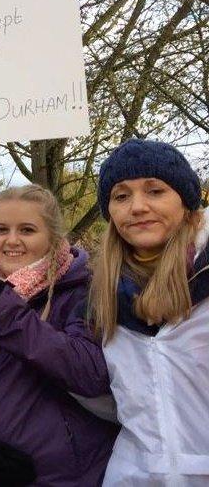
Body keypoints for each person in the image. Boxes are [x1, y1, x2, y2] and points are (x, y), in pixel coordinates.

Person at [0, 185, 118, 486]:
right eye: (1, 229)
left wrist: (6, 312)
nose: (12, 240)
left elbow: (88, 372)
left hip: (63, 474)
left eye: (28, 230)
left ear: (53, 237)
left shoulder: (80, 291)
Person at [88, 139, 209, 485]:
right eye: (121, 196)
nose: (137, 207)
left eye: (155, 191)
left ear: (186, 202)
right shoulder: (100, 298)